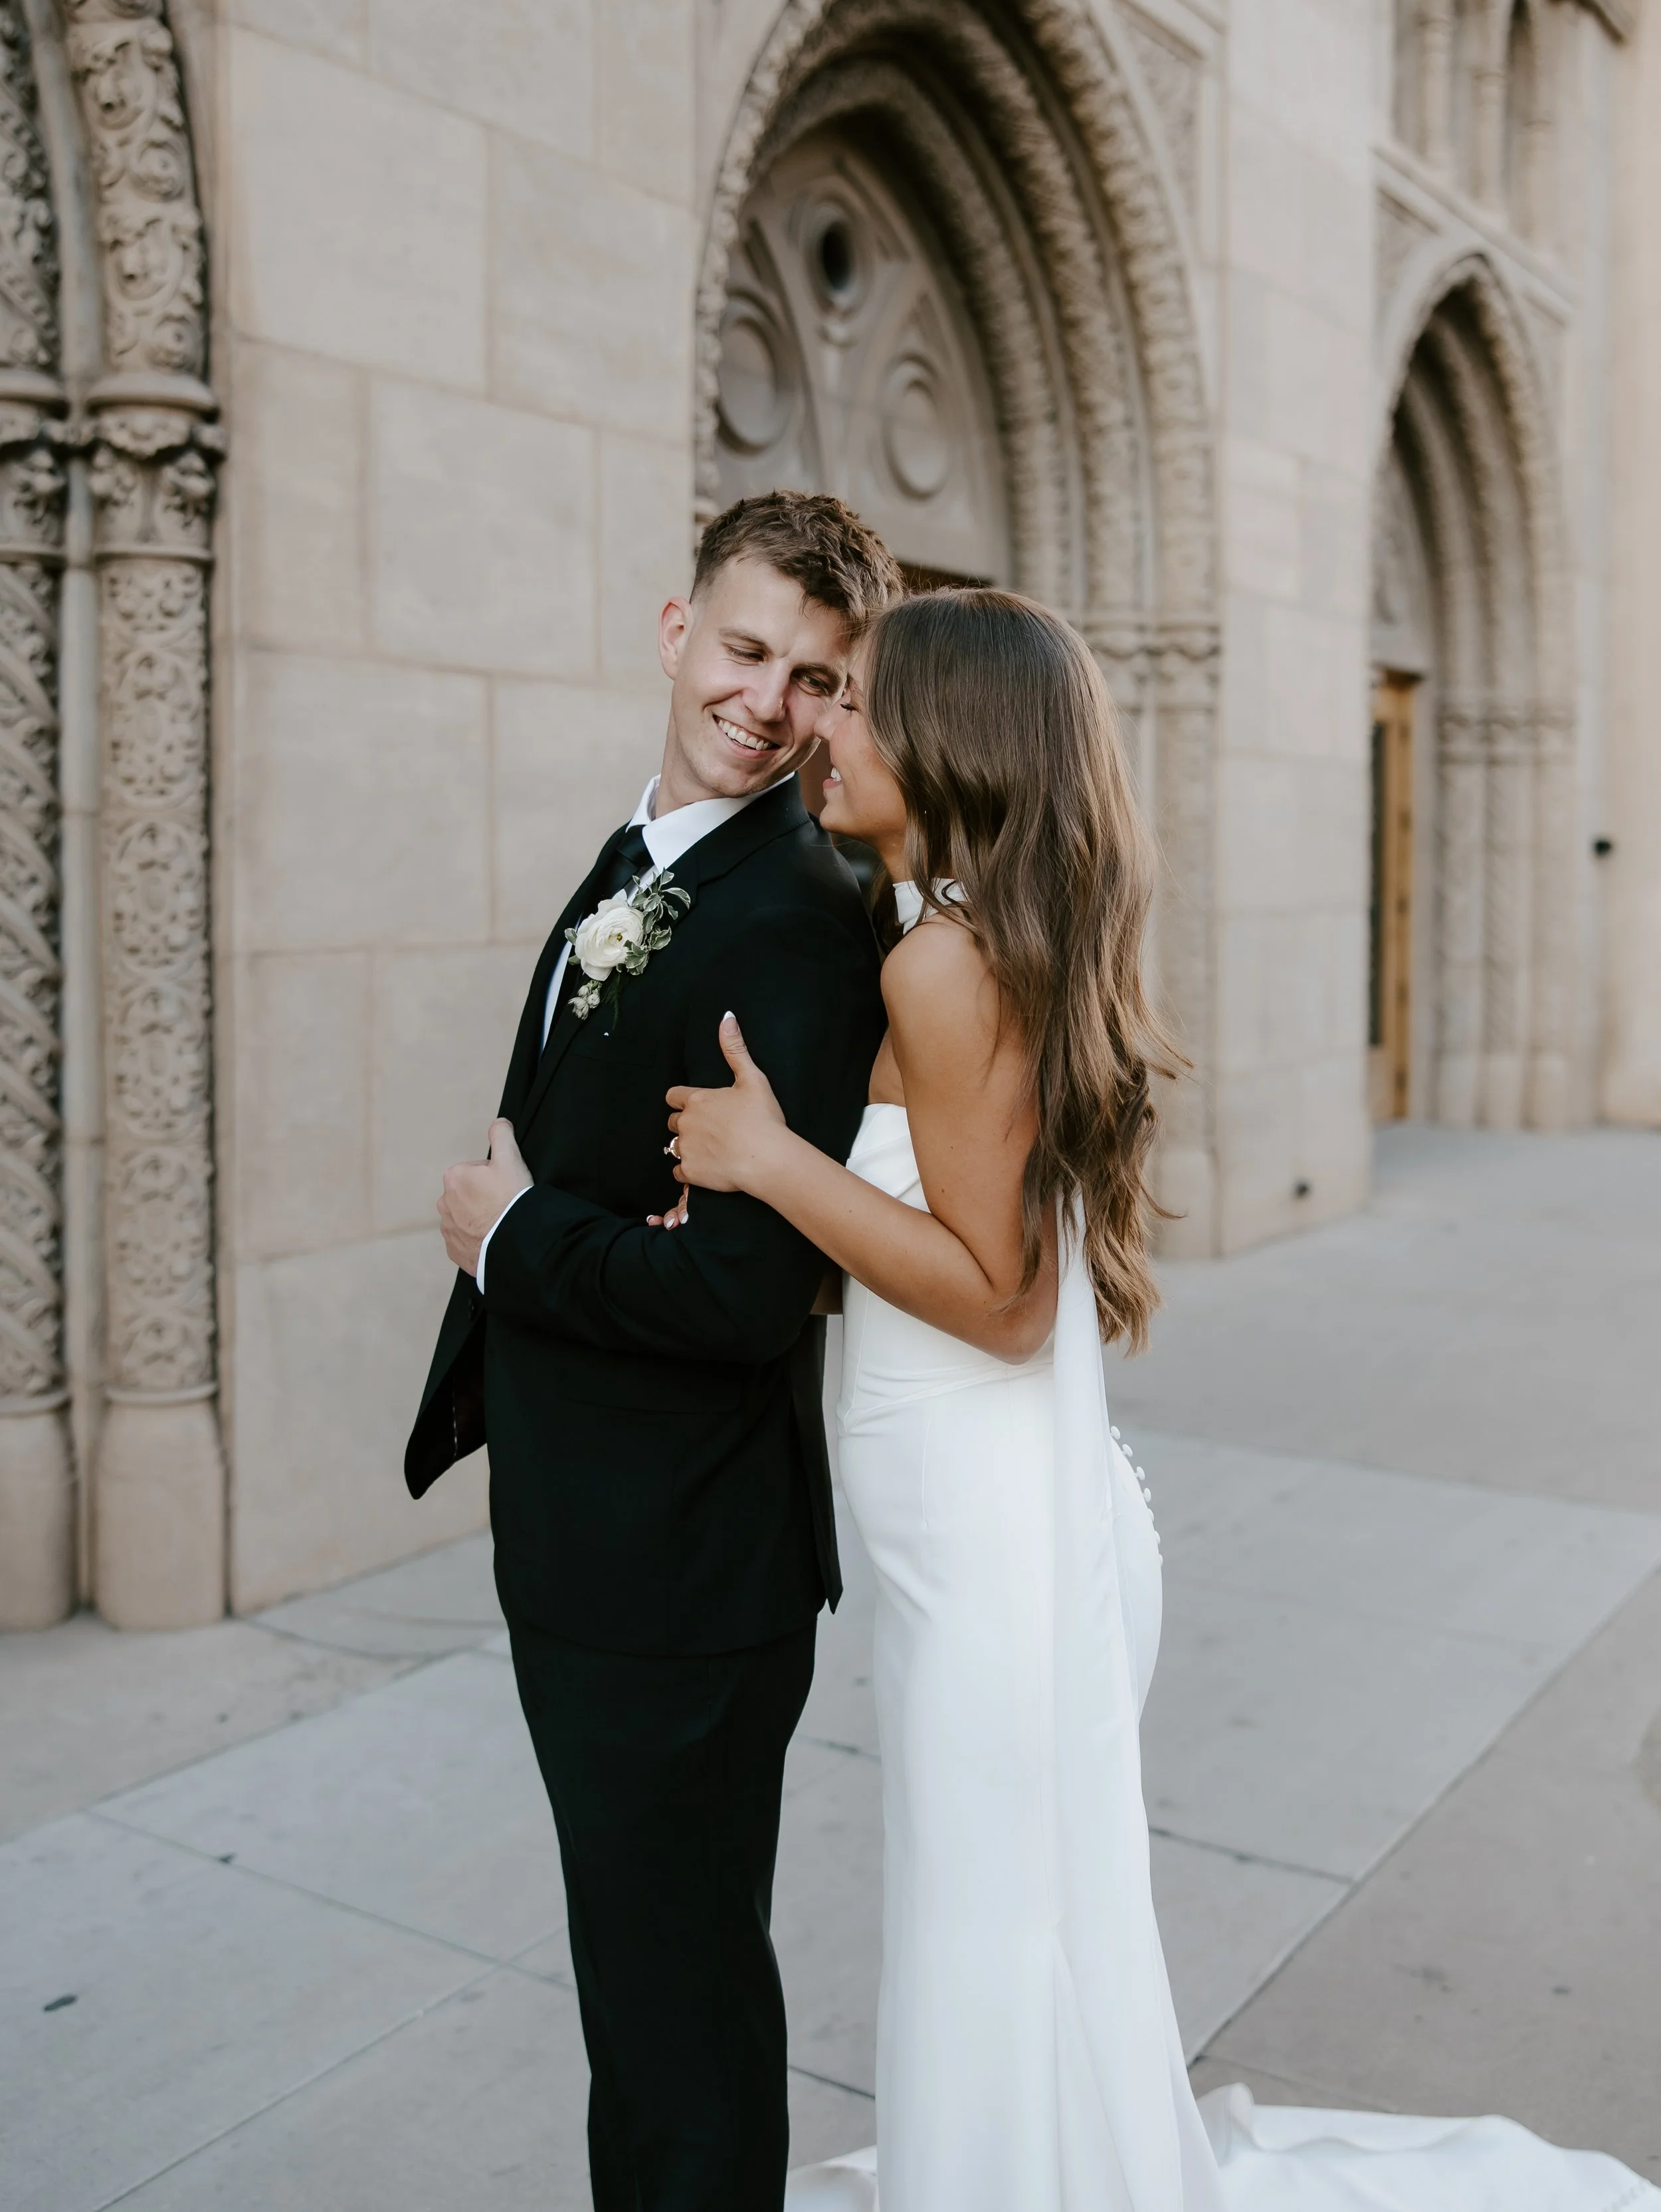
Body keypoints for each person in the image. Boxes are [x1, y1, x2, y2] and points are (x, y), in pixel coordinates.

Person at [663, 585, 1659, 2212]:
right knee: (1005, 1926)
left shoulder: (938, 962)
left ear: (943, 738)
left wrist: (770, 1162)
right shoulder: (966, 941)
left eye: (851, 700)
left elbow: (996, 1298)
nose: (814, 729)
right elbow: (943, 1245)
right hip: (989, 1530)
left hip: (994, 1551)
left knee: (992, 1930)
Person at [406, 490, 899, 2212]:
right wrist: (552, 1209)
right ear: (672, 623)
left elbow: (745, 1292)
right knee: (644, 2000)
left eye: (816, 678)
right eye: (750, 648)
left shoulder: (793, 919)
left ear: (847, 704)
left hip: (680, 1572)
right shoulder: (645, 852)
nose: (768, 701)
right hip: (594, 1532)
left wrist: (518, 1233)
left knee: (676, 2020)